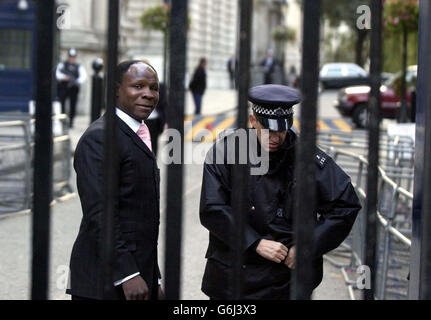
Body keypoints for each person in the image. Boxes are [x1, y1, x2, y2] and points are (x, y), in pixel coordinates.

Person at [199, 84, 361, 299]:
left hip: (286, 281)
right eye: (268, 131)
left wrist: (307, 245)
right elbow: (212, 207)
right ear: (253, 120)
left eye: (282, 130)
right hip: (234, 276)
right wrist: (254, 242)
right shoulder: (226, 152)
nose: (275, 138)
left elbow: (345, 204)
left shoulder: (306, 156)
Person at [66, 60, 163, 300]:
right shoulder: (100, 138)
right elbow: (100, 213)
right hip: (105, 281)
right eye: (138, 86)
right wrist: (128, 273)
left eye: (153, 87)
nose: (148, 94)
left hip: (141, 274)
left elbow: (140, 216)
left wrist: (154, 277)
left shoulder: (136, 131)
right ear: (116, 90)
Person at [56, 48, 87, 128]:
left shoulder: (78, 66)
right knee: (62, 104)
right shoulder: (63, 64)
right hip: (64, 87)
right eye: (70, 56)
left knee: (73, 105)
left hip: (73, 88)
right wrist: (64, 77)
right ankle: (62, 121)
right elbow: (57, 74)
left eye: (73, 57)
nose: (71, 58)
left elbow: (83, 77)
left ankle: (71, 122)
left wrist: (76, 81)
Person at [146, 81, 168, 156]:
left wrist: (165, 122)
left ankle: (153, 162)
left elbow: (164, 105)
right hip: (142, 119)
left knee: (153, 142)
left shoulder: (160, 86)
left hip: (155, 120)